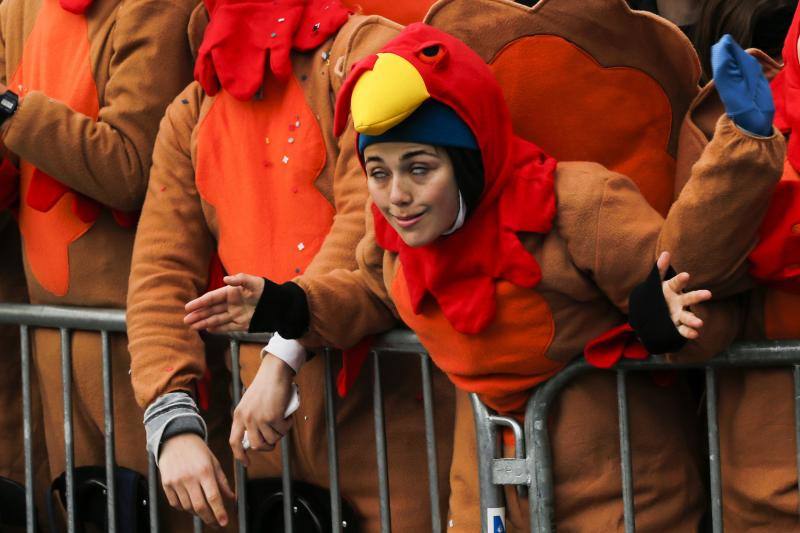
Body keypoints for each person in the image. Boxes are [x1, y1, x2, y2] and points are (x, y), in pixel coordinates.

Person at [185, 23, 785, 531]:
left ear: (467, 161)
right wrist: (285, 307)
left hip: (622, 491)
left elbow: (696, 294)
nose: (397, 196)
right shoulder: (394, 238)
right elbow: (367, 292)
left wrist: (656, 320)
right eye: (378, 171)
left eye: (420, 168)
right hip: (485, 494)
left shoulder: (577, 204)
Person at [127, 1, 454, 530]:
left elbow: (372, 220)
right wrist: (171, 419)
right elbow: (160, 271)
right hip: (262, 432)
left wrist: (283, 353)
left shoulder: (364, 54)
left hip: (389, 415)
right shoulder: (192, 108)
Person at [0, 0, 198, 528]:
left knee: (156, 513)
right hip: (49, 333)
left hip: (139, 339)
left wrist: (9, 110)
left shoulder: (154, 7)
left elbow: (132, 168)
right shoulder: (16, 7)